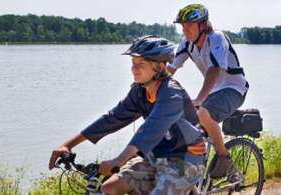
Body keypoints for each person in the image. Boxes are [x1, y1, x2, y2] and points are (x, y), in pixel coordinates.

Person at [49, 35, 207, 195]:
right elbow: (112, 118)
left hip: (186, 159)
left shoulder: (171, 94)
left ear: (159, 67)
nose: (134, 69)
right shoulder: (139, 91)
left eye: (141, 64)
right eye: (133, 63)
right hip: (156, 156)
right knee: (108, 188)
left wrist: (118, 160)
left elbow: (149, 130)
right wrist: (69, 145)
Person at [168, 4, 249, 181]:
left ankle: (224, 159)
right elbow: (170, 68)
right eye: (182, 25)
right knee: (182, 130)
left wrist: (199, 99)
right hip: (214, 93)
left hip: (234, 89)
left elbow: (215, 70)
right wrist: (149, 87)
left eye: (189, 25)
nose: (184, 29)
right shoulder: (186, 44)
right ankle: (188, 179)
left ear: (203, 25)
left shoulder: (217, 38)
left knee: (203, 112)